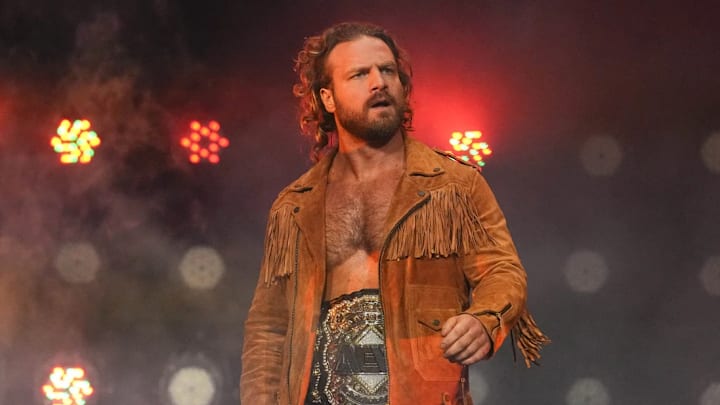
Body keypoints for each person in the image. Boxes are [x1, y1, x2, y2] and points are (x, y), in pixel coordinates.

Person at [240, 22, 549, 405]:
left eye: (387, 70)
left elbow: (502, 271)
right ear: (327, 98)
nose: (379, 83)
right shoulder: (295, 207)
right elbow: (269, 328)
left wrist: (483, 320)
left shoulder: (453, 186)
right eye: (359, 74)